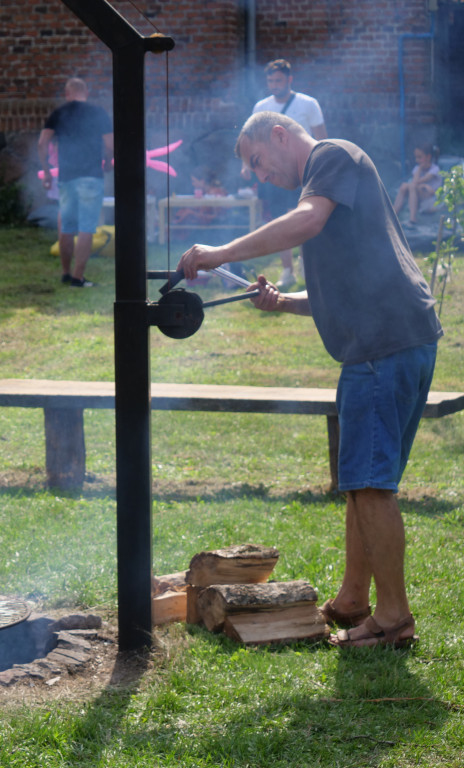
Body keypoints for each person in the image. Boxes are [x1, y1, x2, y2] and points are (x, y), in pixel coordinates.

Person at [177, 111, 442, 649]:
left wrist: (220, 252)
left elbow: (306, 221)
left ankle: (393, 619)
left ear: (278, 134)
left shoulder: (329, 156)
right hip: (398, 339)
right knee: (362, 484)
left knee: (370, 486)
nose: (258, 173)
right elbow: (333, 291)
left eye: (256, 160)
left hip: (379, 349)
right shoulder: (332, 181)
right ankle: (352, 599)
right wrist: (282, 303)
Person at [251, 59, 327, 288]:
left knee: (303, 217)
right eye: (271, 80)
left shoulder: (308, 104)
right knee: (279, 219)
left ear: (289, 80)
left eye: (279, 80)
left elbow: (321, 138)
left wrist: (321, 166)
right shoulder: (260, 107)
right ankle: (287, 270)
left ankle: (307, 262)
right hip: (274, 173)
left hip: (302, 171)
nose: (274, 84)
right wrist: (249, 166)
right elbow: (254, 142)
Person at [38, 77, 113, 288]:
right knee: (87, 228)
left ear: (67, 93)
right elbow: (110, 145)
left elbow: (42, 143)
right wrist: (107, 162)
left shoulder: (59, 113)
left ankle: (65, 273)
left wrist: (46, 171)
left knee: (66, 227)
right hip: (91, 176)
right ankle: (78, 278)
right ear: (86, 92)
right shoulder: (98, 113)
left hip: (67, 177)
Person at [393, 143, 441, 228]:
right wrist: (419, 170)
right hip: (419, 194)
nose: (416, 160)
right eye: (416, 157)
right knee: (404, 186)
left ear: (428, 157)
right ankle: (393, 214)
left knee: (412, 186)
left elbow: (419, 182)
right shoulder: (417, 168)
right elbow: (415, 183)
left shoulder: (435, 169)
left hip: (431, 200)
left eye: (419, 157)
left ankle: (413, 219)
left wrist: (420, 171)